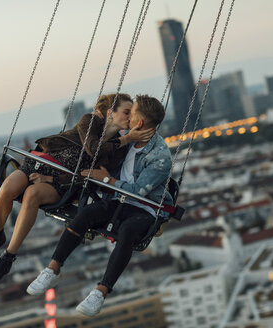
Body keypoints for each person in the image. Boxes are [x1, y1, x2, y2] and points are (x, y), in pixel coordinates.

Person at [0, 93, 155, 282]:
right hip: (41, 162)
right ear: (111, 113)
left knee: (32, 194)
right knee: (7, 190)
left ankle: (8, 256)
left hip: (63, 183)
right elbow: (93, 148)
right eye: (127, 112)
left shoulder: (118, 151)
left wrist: (48, 179)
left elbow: (92, 177)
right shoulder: (90, 121)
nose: (130, 117)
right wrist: (126, 139)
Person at [26, 95, 173, 316]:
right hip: (117, 200)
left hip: (146, 207)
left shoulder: (160, 156)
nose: (127, 118)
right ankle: (53, 268)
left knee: (128, 231)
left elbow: (138, 192)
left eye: (130, 114)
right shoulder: (126, 139)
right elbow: (96, 153)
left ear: (139, 122)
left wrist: (108, 180)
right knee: (85, 215)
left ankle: (100, 291)